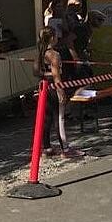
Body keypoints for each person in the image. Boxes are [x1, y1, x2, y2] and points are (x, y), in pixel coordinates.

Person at [34, 27, 84, 158]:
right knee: (59, 118)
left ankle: (47, 147)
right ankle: (65, 149)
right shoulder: (54, 54)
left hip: (44, 87)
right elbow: (57, 75)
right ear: (52, 38)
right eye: (56, 36)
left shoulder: (41, 52)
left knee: (47, 118)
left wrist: (47, 74)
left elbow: (36, 71)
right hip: (54, 87)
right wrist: (60, 90)